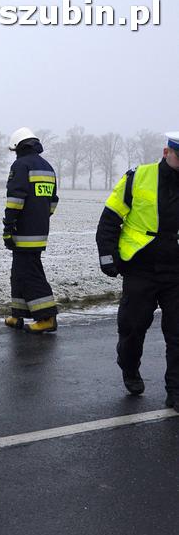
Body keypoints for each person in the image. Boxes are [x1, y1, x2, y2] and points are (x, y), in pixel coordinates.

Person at [96, 131, 179, 413]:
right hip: (141, 267)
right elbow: (109, 220)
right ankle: (129, 366)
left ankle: (175, 391)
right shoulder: (138, 177)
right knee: (132, 327)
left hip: (176, 271)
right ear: (167, 153)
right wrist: (108, 257)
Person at [2, 127, 60, 333]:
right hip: (40, 230)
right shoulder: (48, 167)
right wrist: (40, 219)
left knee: (30, 274)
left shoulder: (21, 166)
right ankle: (18, 315)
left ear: (19, 147)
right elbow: (53, 201)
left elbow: (15, 199)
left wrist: (8, 227)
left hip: (23, 230)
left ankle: (47, 317)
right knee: (19, 272)